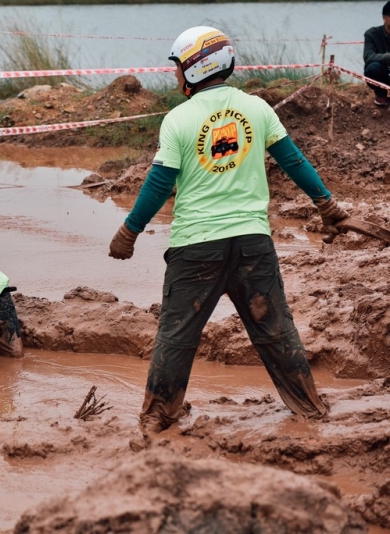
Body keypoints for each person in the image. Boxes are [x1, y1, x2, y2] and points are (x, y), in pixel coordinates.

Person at [108, 26, 351, 434]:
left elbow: (159, 182)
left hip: (195, 249)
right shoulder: (256, 108)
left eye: (178, 67)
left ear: (196, 68)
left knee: (177, 336)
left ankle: (156, 419)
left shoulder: (178, 119)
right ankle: (310, 411)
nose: (174, 76)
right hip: (253, 245)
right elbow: (293, 162)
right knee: (275, 331)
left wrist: (130, 230)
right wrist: (327, 204)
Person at [364, 1, 390, 106]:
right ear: (384, 18)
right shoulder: (372, 34)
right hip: (380, 74)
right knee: (373, 67)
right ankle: (381, 95)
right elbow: (368, 57)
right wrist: (388, 57)